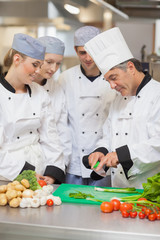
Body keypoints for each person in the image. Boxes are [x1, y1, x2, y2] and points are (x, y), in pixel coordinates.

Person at [83, 27, 160, 189]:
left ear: (131, 68)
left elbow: (158, 143)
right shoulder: (118, 100)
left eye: (113, 77)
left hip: (150, 187)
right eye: (107, 81)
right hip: (119, 186)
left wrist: (122, 155)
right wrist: (101, 151)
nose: (111, 86)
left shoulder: (156, 95)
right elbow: (108, 135)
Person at [0, 33, 65, 184]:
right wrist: (25, 171)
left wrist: (52, 171)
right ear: (17, 59)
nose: (38, 71)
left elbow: (51, 137)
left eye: (40, 66)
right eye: (34, 64)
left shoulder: (40, 93)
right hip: (7, 176)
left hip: (39, 172)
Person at [58, 26, 116, 186]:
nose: (88, 57)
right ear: (76, 51)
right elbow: (60, 122)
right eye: (82, 52)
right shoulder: (65, 78)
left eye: (91, 51)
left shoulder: (113, 78)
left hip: (104, 157)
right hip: (74, 159)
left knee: (100, 207)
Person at [34, 36, 71, 167]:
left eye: (58, 63)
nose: (54, 68)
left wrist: (60, 167)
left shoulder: (57, 89)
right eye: (49, 62)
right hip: (23, 163)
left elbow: (62, 131)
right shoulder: (22, 86)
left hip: (51, 162)